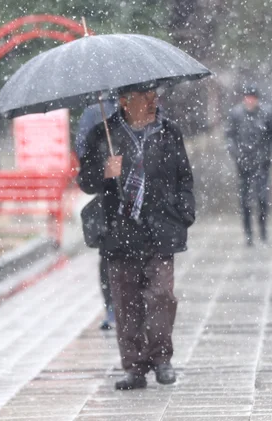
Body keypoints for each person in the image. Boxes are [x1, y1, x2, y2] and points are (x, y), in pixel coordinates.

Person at [78, 85, 195, 391]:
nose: (154, 101)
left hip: (160, 229)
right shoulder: (102, 135)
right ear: (124, 102)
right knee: (126, 302)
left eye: (155, 96)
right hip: (120, 232)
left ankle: (162, 359)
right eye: (147, 97)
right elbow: (85, 181)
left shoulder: (169, 132)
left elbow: (184, 177)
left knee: (161, 296)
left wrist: (184, 212)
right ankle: (134, 367)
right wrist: (104, 171)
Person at [75, 100, 118, 330]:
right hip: (109, 205)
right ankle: (111, 305)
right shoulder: (94, 114)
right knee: (109, 258)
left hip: (141, 207)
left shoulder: (143, 109)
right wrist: (105, 169)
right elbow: (83, 153)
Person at [226, 85, 272, 246]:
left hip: (262, 162)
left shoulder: (267, 113)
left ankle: (263, 231)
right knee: (245, 200)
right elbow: (229, 136)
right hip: (243, 163)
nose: (250, 100)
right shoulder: (236, 114)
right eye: (247, 97)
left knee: (262, 198)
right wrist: (236, 154)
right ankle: (248, 234)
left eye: (253, 97)